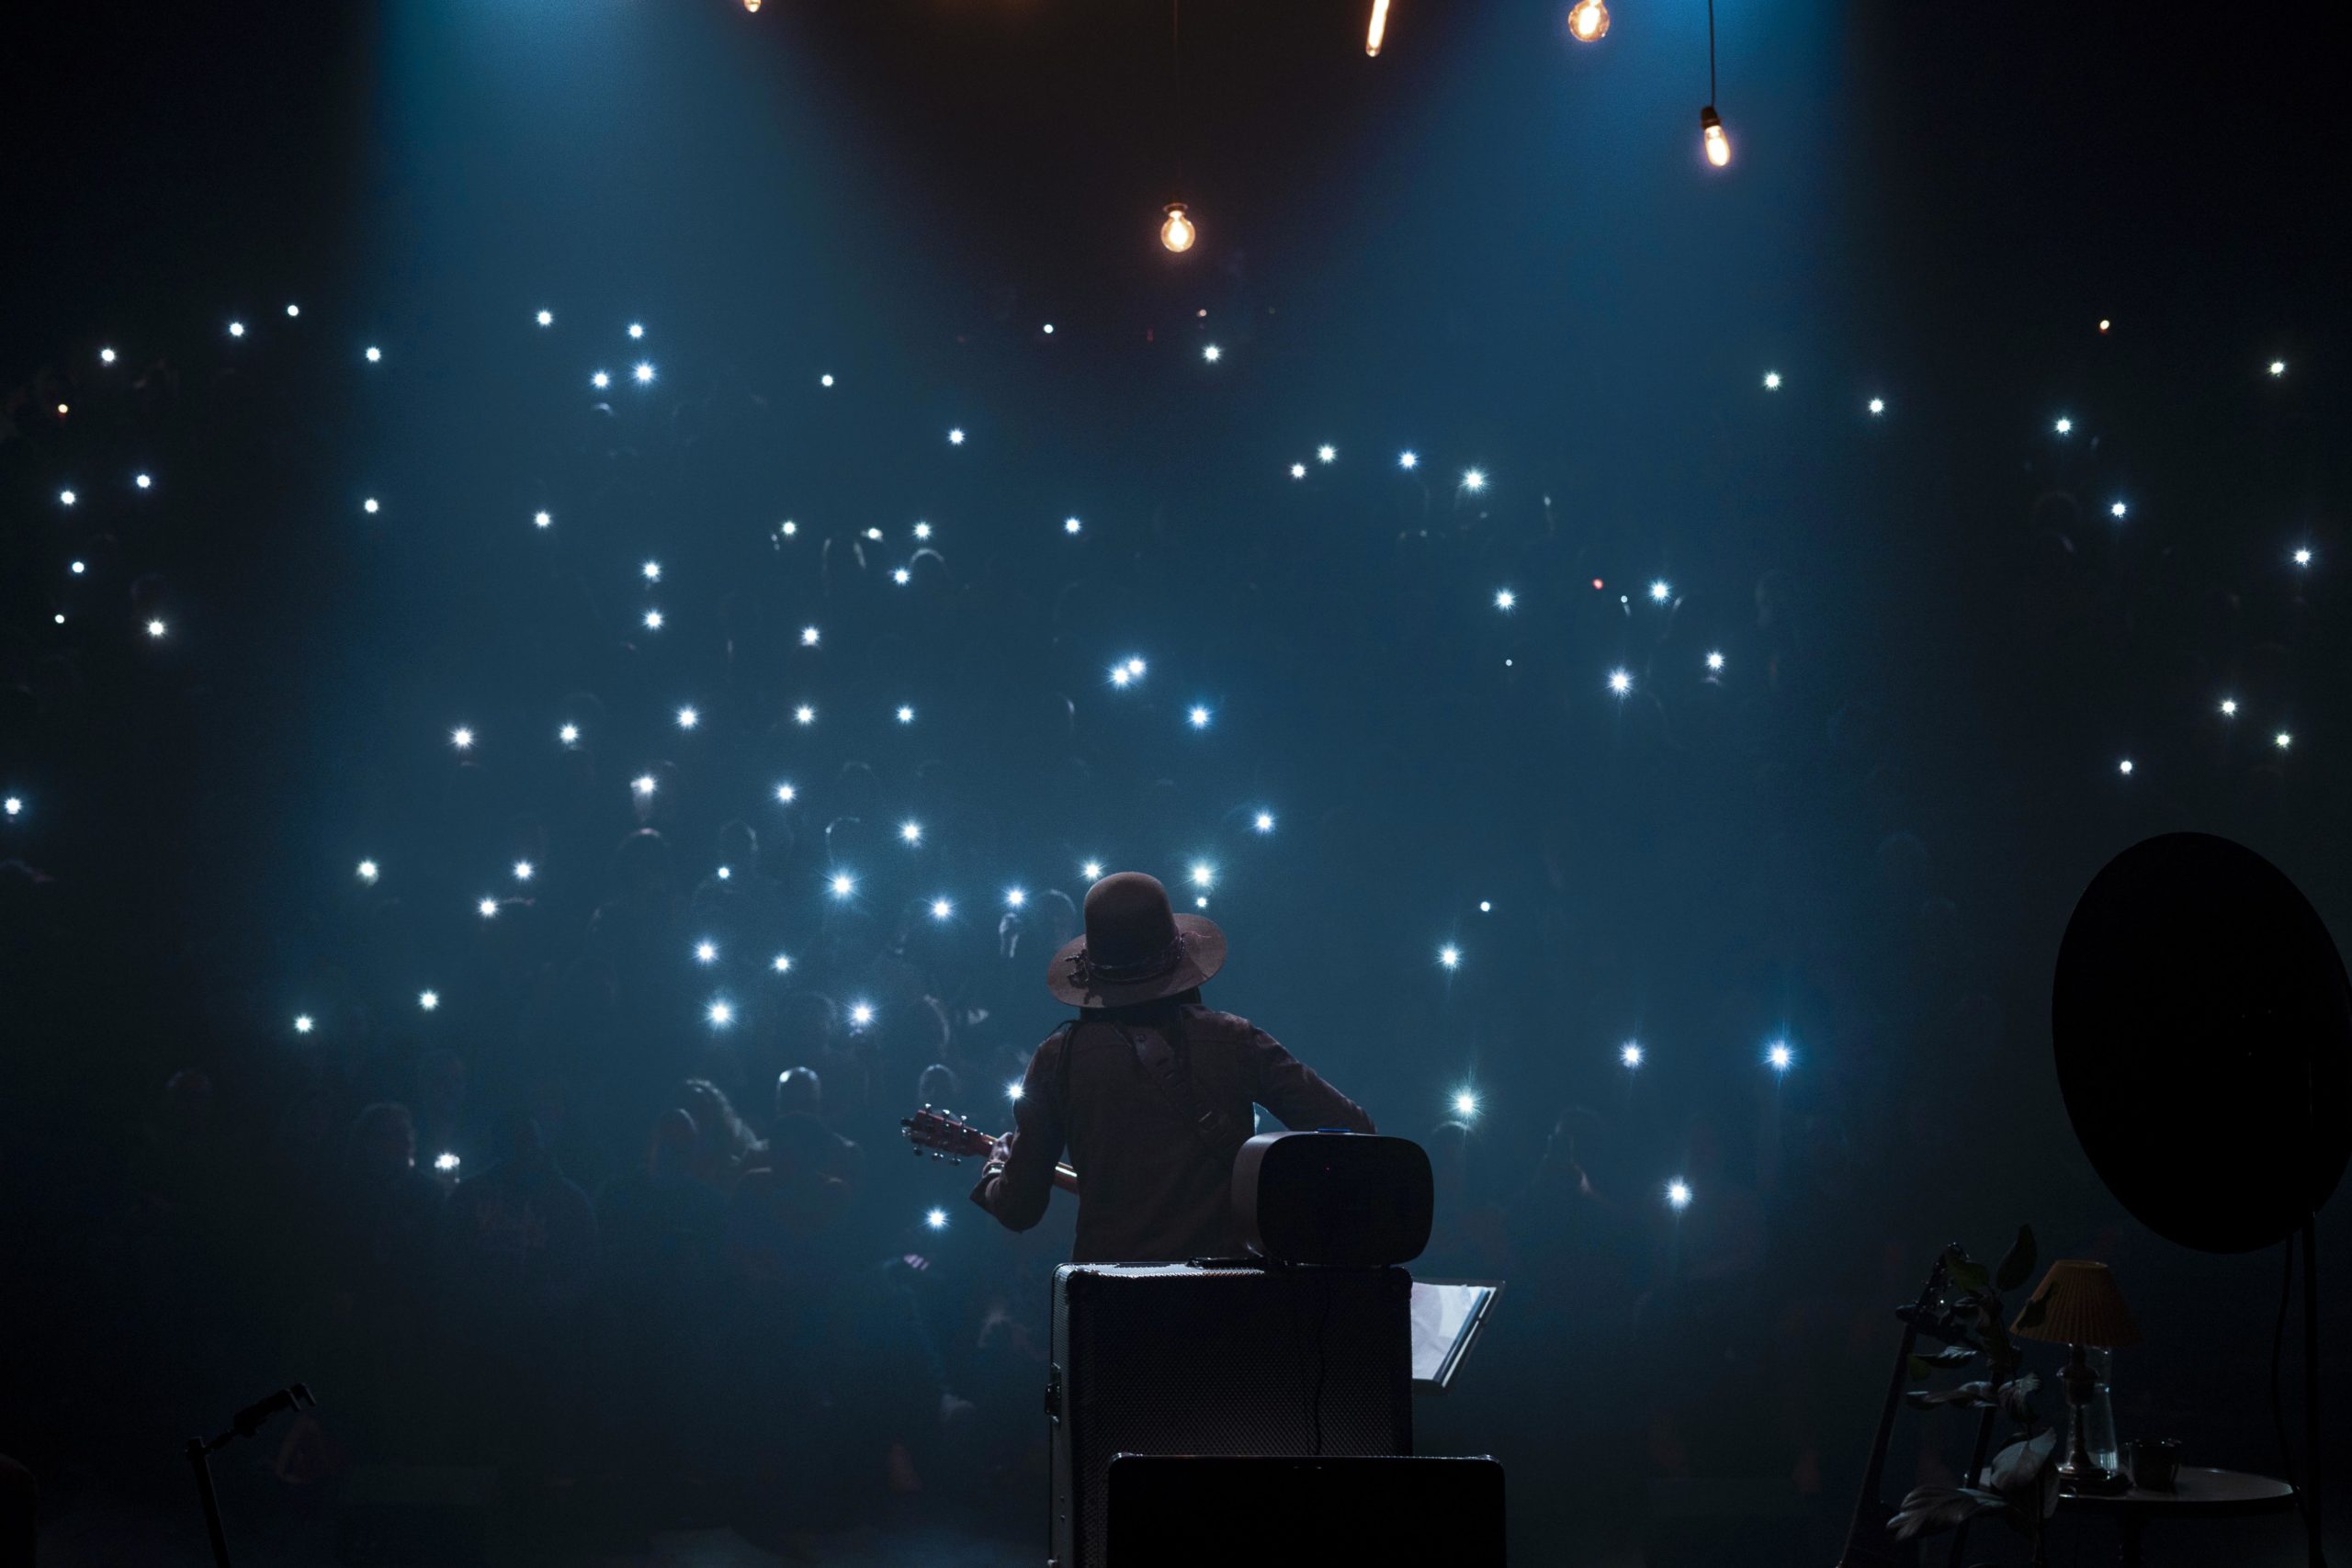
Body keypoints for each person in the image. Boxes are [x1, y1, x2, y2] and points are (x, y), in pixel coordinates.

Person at [969, 872, 1372, 1262]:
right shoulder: (1234, 1039)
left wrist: (996, 1169)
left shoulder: (1059, 1059)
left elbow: (1019, 1208)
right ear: (1179, 959)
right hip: (1231, 1298)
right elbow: (1352, 1130)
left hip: (1114, 1305)